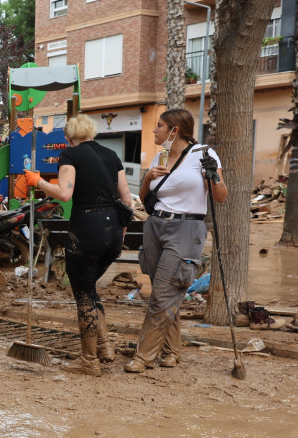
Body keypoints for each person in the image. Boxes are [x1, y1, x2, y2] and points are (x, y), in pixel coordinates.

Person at [23, 114, 133, 376]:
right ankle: (104, 348)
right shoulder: (111, 155)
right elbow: (127, 199)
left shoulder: (70, 155)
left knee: (83, 294)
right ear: (92, 132)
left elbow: (64, 193)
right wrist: (121, 235)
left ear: (68, 136)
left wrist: (36, 181)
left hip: (87, 229)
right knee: (90, 288)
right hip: (114, 231)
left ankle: (88, 360)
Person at [124, 108, 228, 373]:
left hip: (186, 228)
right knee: (166, 292)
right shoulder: (160, 156)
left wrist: (213, 173)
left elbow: (221, 197)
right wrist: (147, 178)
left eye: (159, 126)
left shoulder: (204, 154)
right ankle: (171, 351)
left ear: (174, 130)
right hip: (155, 225)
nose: (154, 131)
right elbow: (146, 199)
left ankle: (144, 356)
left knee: (162, 294)